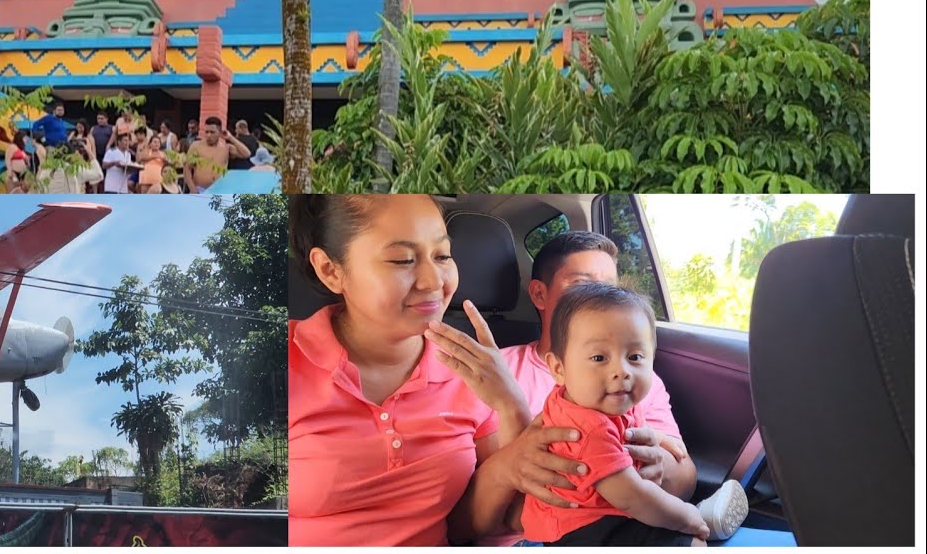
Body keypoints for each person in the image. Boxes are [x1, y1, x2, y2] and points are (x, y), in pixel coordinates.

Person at [289, 195, 536, 546]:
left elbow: (485, 524)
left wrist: (512, 405)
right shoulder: (280, 361)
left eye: (443, 255)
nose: (433, 281)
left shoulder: (471, 371)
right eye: (402, 259)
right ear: (331, 270)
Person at [518, 283, 748, 546]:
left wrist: (659, 438)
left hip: (605, 513)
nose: (621, 370)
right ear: (558, 368)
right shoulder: (587, 429)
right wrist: (688, 516)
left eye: (635, 356)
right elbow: (631, 496)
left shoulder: (591, 400)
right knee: (693, 543)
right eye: (598, 358)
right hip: (583, 530)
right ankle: (704, 519)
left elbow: (626, 433)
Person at [184, 116, 252, 193]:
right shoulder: (196, 146)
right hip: (200, 189)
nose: (209, 135)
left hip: (220, 191)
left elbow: (247, 154)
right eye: (206, 132)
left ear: (219, 133)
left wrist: (230, 138)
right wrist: (192, 188)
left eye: (212, 132)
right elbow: (187, 169)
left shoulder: (226, 147)